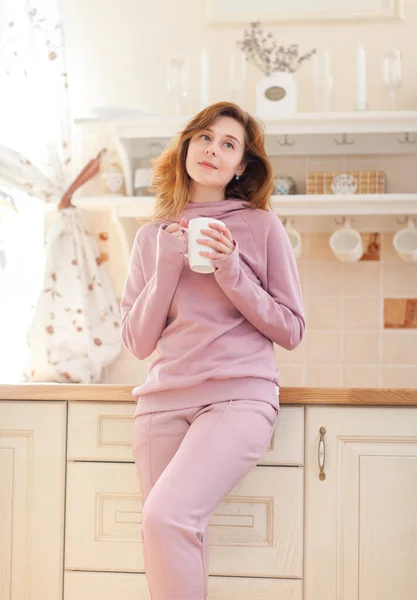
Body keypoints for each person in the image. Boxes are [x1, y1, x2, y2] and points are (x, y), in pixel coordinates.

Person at [120, 101, 305, 600]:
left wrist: (232, 271)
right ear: (185, 147)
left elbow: (290, 329)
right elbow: (137, 343)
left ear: (241, 165)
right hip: (160, 405)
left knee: (166, 517)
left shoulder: (262, 228)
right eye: (203, 137)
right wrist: (165, 266)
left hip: (237, 398)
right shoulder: (150, 237)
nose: (212, 149)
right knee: (168, 533)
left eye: (228, 144)